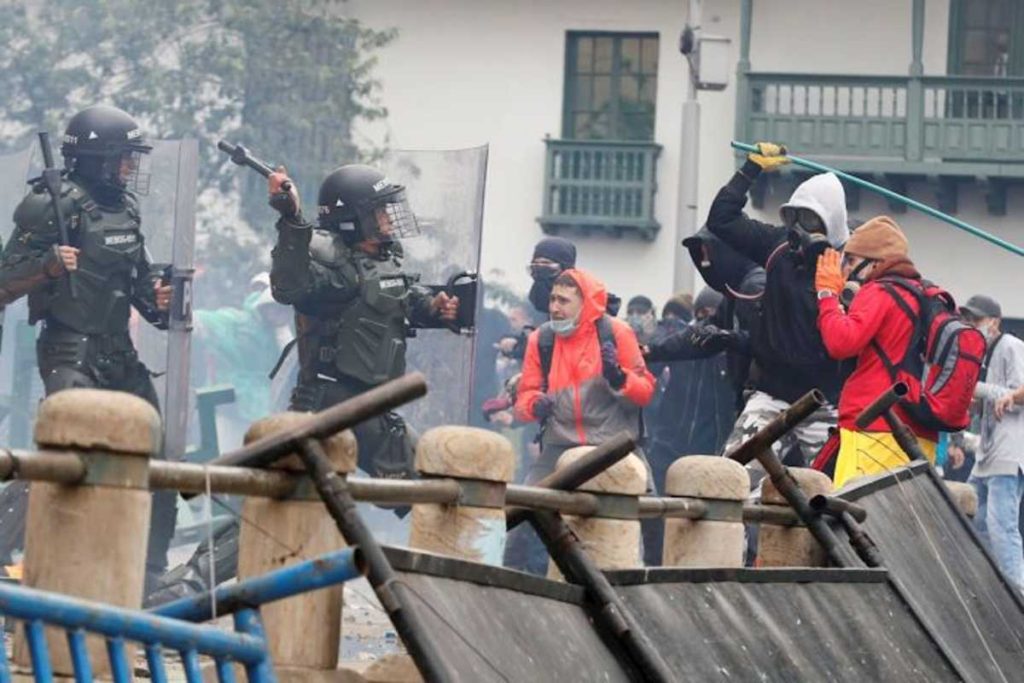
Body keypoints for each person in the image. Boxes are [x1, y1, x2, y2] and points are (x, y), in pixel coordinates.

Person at [0, 105, 176, 589]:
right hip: (68, 349)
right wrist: (49, 266)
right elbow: (3, 282)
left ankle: (152, 573)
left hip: (118, 350)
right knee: (60, 458)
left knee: (157, 454)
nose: (129, 168)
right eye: (123, 158)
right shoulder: (50, 204)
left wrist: (158, 300)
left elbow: (138, 282)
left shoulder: (126, 208)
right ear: (97, 157)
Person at [266, 163, 460, 478]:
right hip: (332, 401)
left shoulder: (381, 259)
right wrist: (291, 218)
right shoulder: (334, 267)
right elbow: (289, 286)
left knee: (424, 482)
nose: (388, 218)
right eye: (380, 211)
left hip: (368, 401)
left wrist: (431, 305)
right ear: (353, 219)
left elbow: (403, 292)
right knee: (430, 482)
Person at [707, 142, 850, 469]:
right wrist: (750, 170)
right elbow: (721, 220)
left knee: (836, 491)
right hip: (769, 395)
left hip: (823, 403)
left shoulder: (848, 268)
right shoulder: (777, 247)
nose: (800, 229)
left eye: (810, 220)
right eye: (794, 217)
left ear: (831, 224)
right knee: (731, 478)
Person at [504, 268, 655, 574]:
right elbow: (522, 403)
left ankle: (626, 591)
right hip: (558, 448)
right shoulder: (541, 339)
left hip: (612, 449)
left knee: (633, 528)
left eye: (563, 300)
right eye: (552, 299)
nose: (555, 307)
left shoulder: (617, 333)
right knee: (517, 520)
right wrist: (536, 405)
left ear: (585, 303)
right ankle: (510, 590)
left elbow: (645, 392)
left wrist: (618, 378)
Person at [814, 216, 943, 486]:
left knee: (859, 519)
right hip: (919, 432)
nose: (845, 271)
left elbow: (841, 342)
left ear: (872, 261)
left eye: (850, 261)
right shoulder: (923, 295)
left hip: (873, 427)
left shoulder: (879, 291)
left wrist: (827, 295)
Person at [957, 295, 1024, 593]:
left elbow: (1016, 391)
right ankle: (989, 588)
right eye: (968, 320)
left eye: (977, 320)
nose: (971, 325)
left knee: (1001, 526)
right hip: (987, 452)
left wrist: (998, 394)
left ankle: (1018, 592)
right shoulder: (982, 352)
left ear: (994, 322)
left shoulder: (1010, 345)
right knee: (977, 522)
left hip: (1008, 452)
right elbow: (991, 398)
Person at [527, 237, 577, 314]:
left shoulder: (580, 314)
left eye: (547, 269)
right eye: (536, 269)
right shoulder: (528, 309)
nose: (541, 276)